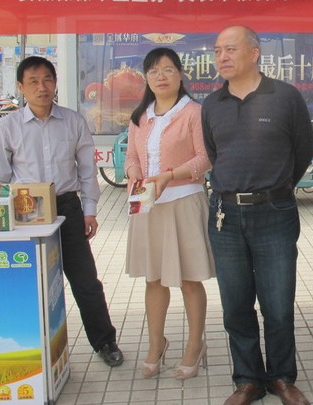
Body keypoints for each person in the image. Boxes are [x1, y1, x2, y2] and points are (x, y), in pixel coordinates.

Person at [201, 26, 313, 405]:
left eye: (230, 49)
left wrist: (275, 188)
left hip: (275, 213)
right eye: (217, 51)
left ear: (254, 53)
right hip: (225, 215)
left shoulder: (285, 97)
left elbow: (303, 151)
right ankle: (247, 380)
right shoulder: (212, 104)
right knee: (235, 304)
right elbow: (215, 155)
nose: (222, 57)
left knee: (278, 303)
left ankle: (281, 377)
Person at [0, 56, 123, 367]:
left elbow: (87, 171)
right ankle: (28, 347)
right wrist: (5, 213)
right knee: (30, 283)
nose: (42, 87)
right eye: (33, 81)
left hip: (67, 209)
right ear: (21, 87)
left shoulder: (73, 122)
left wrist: (90, 210)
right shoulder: (7, 127)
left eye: (47, 79)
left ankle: (105, 342)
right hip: (25, 214)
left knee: (86, 282)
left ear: (56, 83)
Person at [124, 47, 214, 380]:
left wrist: (170, 175)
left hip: (184, 202)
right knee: (153, 279)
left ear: (180, 74)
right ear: (146, 78)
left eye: (167, 70)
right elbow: (131, 156)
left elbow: (206, 158)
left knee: (189, 279)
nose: (160, 77)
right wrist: (134, 173)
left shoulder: (194, 113)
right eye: (153, 71)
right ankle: (156, 343)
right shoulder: (140, 116)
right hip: (147, 205)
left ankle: (195, 344)